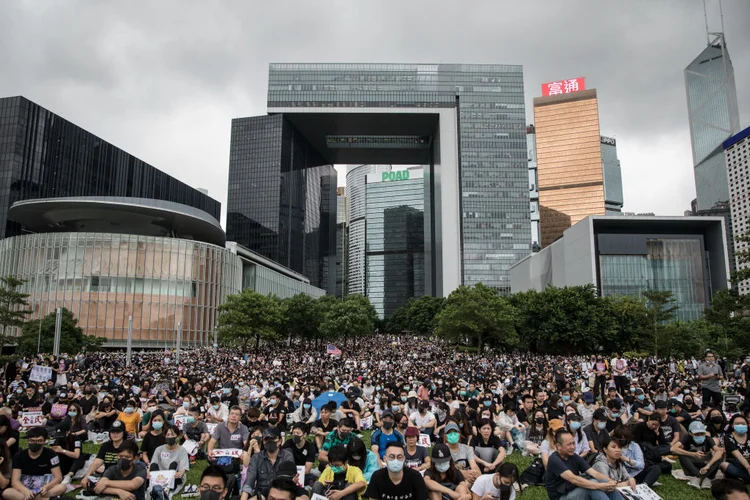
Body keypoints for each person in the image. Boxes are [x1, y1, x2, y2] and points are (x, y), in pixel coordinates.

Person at [544, 429, 619, 500]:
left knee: (606, 485)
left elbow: (595, 473)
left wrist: (609, 482)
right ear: (558, 446)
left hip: (574, 490)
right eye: (569, 444)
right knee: (592, 487)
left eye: (573, 443)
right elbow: (573, 479)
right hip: (561, 496)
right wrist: (599, 486)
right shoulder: (554, 460)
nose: (573, 447)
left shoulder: (573, 456)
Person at [3, 426, 66, 500]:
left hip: (45, 485)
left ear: (44, 441)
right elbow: (15, 481)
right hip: (25, 485)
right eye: (32, 440)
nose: (35, 443)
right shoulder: (19, 456)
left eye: (39, 441)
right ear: (28, 440)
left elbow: (58, 477)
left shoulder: (51, 454)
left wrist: (46, 487)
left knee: (62, 487)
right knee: (7, 492)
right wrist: (25, 491)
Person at [241, 427, 294, 500]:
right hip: (260, 494)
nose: (269, 442)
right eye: (266, 440)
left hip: (281, 494)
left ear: (280, 441)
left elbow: (287, 480)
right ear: (263, 442)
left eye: (272, 439)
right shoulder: (256, 457)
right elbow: (249, 481)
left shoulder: (287, 456)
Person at [671, 420, 723, 489]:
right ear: (690, 433)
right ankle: (699, 476)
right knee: (681, 454)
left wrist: (708, 466)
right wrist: (693, 454)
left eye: (702, 433)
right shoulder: (686, 437)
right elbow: (673, 449)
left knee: (718, 457)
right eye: (697, 434)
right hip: (692, 463)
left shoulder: (708, 439)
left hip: (706, 464)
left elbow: (719, 451)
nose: (700, 436)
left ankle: (703, 477)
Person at [81, 420, 130, 489]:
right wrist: (87, 476)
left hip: (123, 477)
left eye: (118, 432)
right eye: (113, 432)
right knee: (89, 484)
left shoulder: (129, 446)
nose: (115, 434)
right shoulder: (106, 445)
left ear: (123, 433)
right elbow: (97, 462)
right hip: (107, 477)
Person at [150, 424, 190, 494]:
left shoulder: (182, 450)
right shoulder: (159, 449)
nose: (170, 437)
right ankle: (156, 485)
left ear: (177, 436)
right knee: (153, 465)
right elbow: (153, 463)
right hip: (161, 476)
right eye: (168, 435)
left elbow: (184, 467)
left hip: (175, 476)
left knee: (173, 464)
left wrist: (180, 473)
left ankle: (171, 486)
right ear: (165, 436)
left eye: (172, 434)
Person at [722, 414, 750, 483]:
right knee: (724, 465)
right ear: (732, 425)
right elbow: (736, 454)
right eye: (737, 423)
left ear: (747, 425)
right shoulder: (728, 437)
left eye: (743, 423)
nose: (740, 425)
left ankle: (743, 479)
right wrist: (748, 467)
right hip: (737, 464)